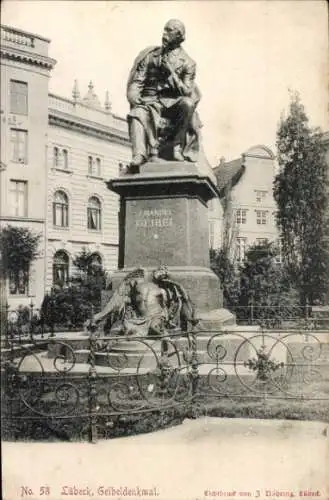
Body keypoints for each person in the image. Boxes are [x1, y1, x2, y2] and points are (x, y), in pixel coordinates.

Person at [127, 19, 201, 167]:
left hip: (172, 103)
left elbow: (187, 91)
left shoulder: (188, 62)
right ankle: (139, 155)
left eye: (169, 30)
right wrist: (134, 96)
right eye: (164, 30)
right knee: (136, 113)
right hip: (150, 100)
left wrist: (171, 73)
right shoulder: (150, 56)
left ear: (179, 36)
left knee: (187, 104)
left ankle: (177, 147)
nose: (164, 34)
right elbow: (137, 81)